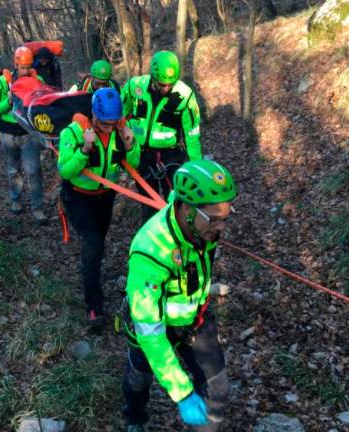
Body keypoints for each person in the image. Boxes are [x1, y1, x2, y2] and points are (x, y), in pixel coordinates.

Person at [121, 160, 236, 432]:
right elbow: (149, 331)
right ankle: (134, 416)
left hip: (193, 318)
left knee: (217, 386)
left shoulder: (201, 229)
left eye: (226, 218)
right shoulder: (150, 250)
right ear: (186, 209)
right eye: (214, 219)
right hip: (152, 324)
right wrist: (182, 392)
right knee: (139, 379)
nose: (222, 229)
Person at [57, 88, 140, 330]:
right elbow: (65, 169)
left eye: (113, 124)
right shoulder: (72, 133)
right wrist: (84, 150)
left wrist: (131, 144)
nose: (109, 128)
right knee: (93, 243)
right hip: (77, 197)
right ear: (94, 115)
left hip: (105, 197)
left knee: (98, 243)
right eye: (104, 124)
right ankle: (94, 306)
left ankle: (90, 265)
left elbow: (131, 166)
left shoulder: (119, 132)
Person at [121, 50, 203, 223]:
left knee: (173, 201)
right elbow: (121, 112)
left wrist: (196, 166)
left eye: (169, 85)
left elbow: (192, 135)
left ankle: (175, 237)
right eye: (161, 84)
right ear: (153, 77)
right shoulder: (135, 87)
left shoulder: (185, 96)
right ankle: (150, 240)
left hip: (170, 156)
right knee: (148, 203)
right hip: (142, 154)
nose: (165, 88)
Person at [0, 46, 47, 224]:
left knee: (34, 170)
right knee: (13, 169)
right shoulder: (2, 81)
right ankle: (16, 200)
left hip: (30, 132)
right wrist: (7, 101)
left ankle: (38, 208)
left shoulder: (38, 80)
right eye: (22, 67)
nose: (25, 70)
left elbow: (45, 104)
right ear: (16, 64)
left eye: (28, 67)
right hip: (8, 132)